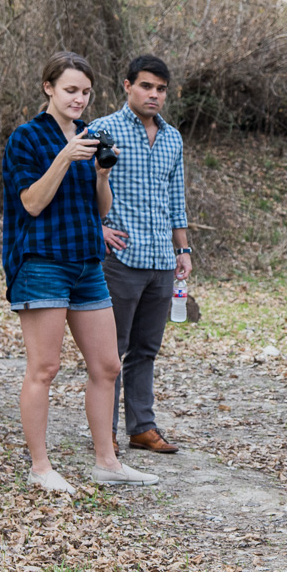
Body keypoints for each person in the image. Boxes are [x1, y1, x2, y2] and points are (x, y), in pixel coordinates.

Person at [1, 51, 159, 496]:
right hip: (41, 262)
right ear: (49, 87)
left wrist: (101, 176)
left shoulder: (91, 136)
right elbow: (30, 203)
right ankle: (40, 466)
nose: (79, 99)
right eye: (71, 90)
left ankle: (106, 462)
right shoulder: (27, 138)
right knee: (44, 368)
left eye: (86, 92)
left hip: (87, 261)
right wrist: (65, 157)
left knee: (108, 365)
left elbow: (99, 211)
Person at [91, 55, 190, 457]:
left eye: (161, 89)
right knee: (111, 352)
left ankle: (141, 427)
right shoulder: (103, 130)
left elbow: (176, 198)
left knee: (146, 350)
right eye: (146, 86)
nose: (154, 94)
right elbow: (75, 186)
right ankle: (105, 433)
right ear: (127, 85)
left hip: (161, 260)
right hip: (121, 258)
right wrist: (96, 228)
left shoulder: (172, 138)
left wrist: (182, 248)